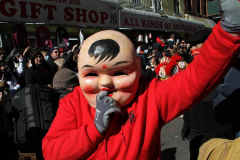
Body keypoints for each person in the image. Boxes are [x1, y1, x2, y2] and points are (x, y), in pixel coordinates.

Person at [42, 2, 240, 159]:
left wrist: (229, 31)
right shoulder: (73, 103)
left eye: (119, 72)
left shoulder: (150, 96)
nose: (105, 83)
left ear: (137, 69)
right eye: (91, 74)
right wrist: (94, 129)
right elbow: (52, 153)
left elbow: (194, 80)